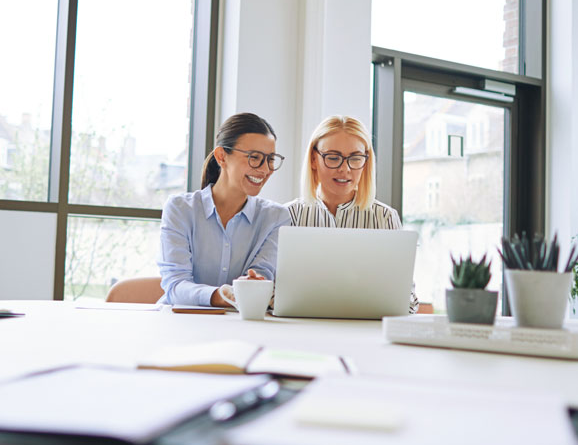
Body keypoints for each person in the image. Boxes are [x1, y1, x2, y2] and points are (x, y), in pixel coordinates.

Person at [287, 115, 419, 313]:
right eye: (333, 157)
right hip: (304, 329)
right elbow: (274, 292)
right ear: (314, 159)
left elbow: (408, 301)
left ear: (366, 162)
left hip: (366, 333)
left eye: (355, 158)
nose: (345, 169)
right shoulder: (288, 216)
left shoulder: (384, 218)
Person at [158, 112, 291, 307]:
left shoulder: (276, 218)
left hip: (241, 326)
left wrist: (253, 285)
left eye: (270, 159)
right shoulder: (180, 209)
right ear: (221, 156)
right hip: (182, 322)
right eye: (255, 157)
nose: (264, 169)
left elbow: (260, 279)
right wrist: (221, 294)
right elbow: (175, 285)